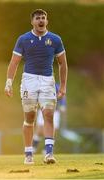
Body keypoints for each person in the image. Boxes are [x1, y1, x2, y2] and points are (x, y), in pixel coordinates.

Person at [4, 9, 68, 165]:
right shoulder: (23, 39)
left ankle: (49, 154)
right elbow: (14, 62)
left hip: (47, 81)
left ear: (47, 21)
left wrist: (63, 86)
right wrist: (9, 82)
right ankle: (28, 153)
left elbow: (62, 63)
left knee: (48, 115)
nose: (41, 20)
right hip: (29, 81)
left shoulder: (55, 39)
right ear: (32, 21)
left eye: (43, 18)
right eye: (38, 18)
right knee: (30, 118)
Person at [33, 83, 67, 153]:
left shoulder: (56, 86)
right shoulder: (41, 85)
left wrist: (63, 105)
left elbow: (62, 95)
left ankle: (46, 150)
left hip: (55, 111)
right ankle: (33, 148)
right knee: (40, 130)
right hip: (43, 110)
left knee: (54, 131)